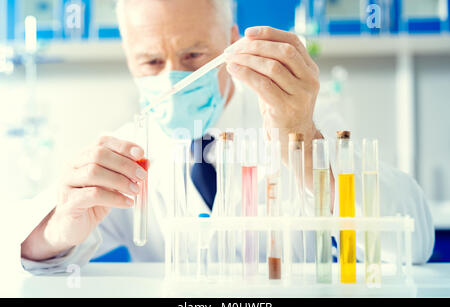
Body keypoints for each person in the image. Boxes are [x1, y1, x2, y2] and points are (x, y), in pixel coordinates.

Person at [20, 0, 434, 274]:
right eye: (150, 60)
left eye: (194, 56)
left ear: (232, 43)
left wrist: (302, 140)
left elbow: (412, 243)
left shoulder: (305, 117)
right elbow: (25, 254)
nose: (173, 76)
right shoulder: (131, 146)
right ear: (128, 57)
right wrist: (59, 229)